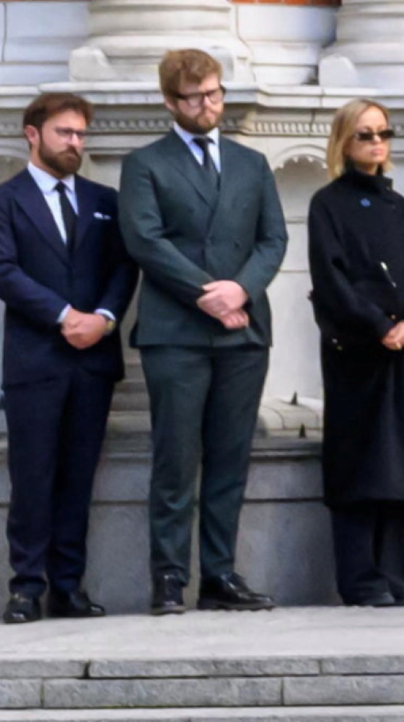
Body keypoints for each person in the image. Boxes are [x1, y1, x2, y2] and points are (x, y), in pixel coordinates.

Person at [118, 49, 287, 614]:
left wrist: (240, 291)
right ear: (170, 101)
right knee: (175, 457)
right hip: (176, 334)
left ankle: (219, 576)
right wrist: (208, 295)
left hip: (244, 332)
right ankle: (168, 577)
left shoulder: (251, 162)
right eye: (194, 97)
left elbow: (273, 240)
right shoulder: (144, 164)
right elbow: (145, 241)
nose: (208, 105)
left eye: (214, 93)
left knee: (230, 456)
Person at [0, 93, 138, 623]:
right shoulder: (3, 200)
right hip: (35, 361)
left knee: (77, 478)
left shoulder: (104, 199)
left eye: (80, 134)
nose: (75, 143)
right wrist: (64, 315)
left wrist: (105, 318)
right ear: (33, 134)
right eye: (65, 133)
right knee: (32, 478)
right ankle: (25, 588)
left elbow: (123, 270)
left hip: (93, 360)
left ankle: (67, 587)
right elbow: (3, 272)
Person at [307, 99, 404, 607]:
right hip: (356, 352)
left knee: (401, 461)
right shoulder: (328, 203)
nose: (375, 142)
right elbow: (332, 276)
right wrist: (377, 325)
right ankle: (361, 579)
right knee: (359, 461)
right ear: (344, 142)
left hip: (402, 349)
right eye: (364, 134)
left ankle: (397, 575)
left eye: (382, 133)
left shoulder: (400, 206)